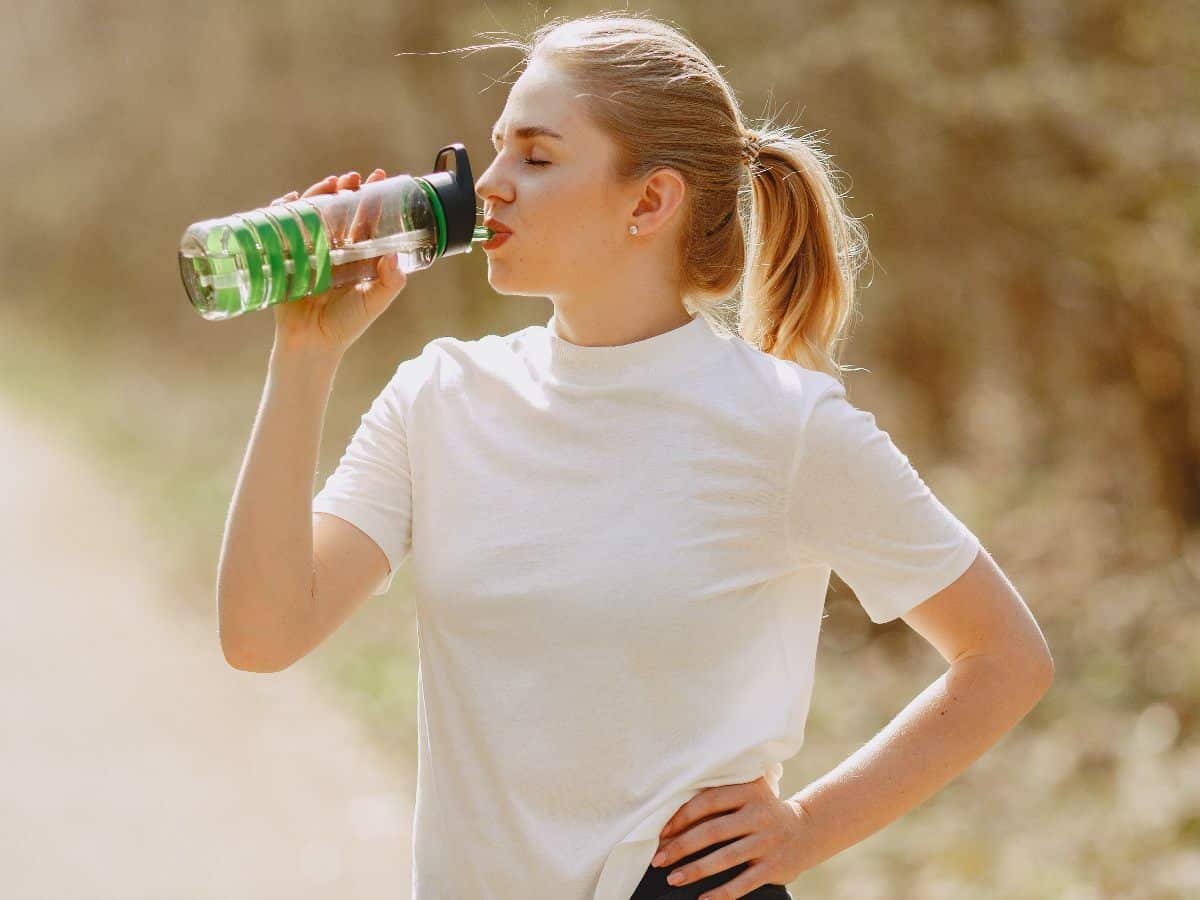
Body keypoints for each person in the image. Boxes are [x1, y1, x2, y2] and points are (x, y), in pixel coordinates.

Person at [217, 11, 1055, 900]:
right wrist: (304, 357)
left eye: (535, 158)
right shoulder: (441, 396)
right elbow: (263, 635)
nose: (488, 185)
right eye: (495, 149)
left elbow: (1005, 658)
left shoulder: (786, 425)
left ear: (650, 201)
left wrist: (807, 828)